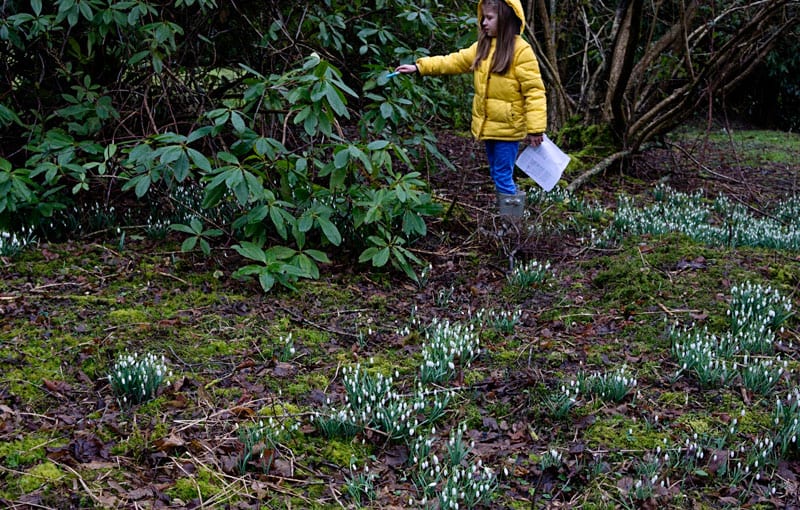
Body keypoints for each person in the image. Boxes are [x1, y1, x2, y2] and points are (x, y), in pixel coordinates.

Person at [395, 0, 547, 218]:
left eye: (490, 18)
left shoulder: (521, 51)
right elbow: (453, 61)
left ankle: (513, 226)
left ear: (505, 18)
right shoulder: (482, 48)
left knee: (503, 175)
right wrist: (419, 67)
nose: (484, 23)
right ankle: (507, 218)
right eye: (483, 17)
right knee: (497, 174)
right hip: (488, 126)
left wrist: (536, 129)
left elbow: (534, 92)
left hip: (509, 128)